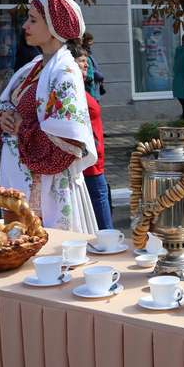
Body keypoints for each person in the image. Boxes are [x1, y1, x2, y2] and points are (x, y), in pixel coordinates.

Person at [0, 0, 98, 233]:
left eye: (32, 20)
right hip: (25, 178)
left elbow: (68, 140)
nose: (25, 26)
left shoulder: (64, 71)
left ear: (53, 27)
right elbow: (16, 109)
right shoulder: (35, 67)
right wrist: (7, 119)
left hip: (48, 188)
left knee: (50, 252)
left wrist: (23, 128)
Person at [69, 41, 113, 230]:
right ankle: (108, 244)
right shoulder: (71, 90)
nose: (86, 65)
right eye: (81, 61)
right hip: (88, 163)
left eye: (86, 60)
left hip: (94, 161)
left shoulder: (81, 88)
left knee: (98, 204)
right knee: (100, 206)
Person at [81, 32, 107, 100]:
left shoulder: (89, 53)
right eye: (90, 41)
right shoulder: (84, 54)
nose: (92, 43)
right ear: (85, 41)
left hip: (94, 87)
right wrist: (100, 76)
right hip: (90, 89)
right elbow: (92, 70)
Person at [173, 42, 184, 119]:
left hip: (177, 84)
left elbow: (174, 68)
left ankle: (183, 122)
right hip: (183, 85)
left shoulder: (179, 52)